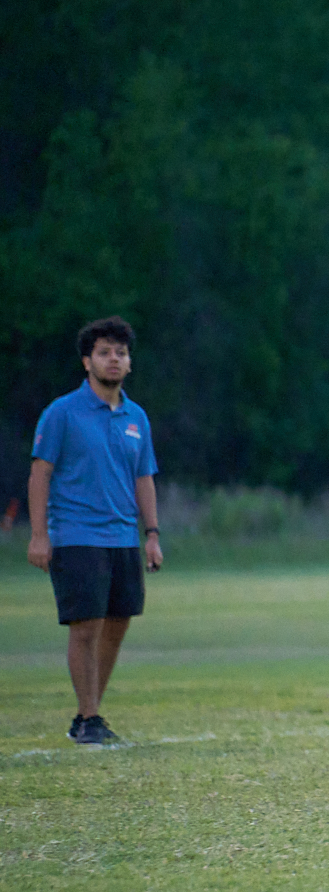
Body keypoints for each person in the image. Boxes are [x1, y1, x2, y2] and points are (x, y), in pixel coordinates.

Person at [26, 317, 164, 746]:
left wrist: (152, 534)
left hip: (123, 537)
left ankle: (89, 715)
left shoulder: (136, 417)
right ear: (87, 361)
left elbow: (143, 478)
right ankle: (89, 716)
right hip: (76, 535)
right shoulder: (62, 412)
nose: (113, 359)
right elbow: (40, 474)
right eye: (104, 353)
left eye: (121, 353)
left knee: (117, 625)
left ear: (130, 362)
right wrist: (39, 535)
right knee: (86, 627)